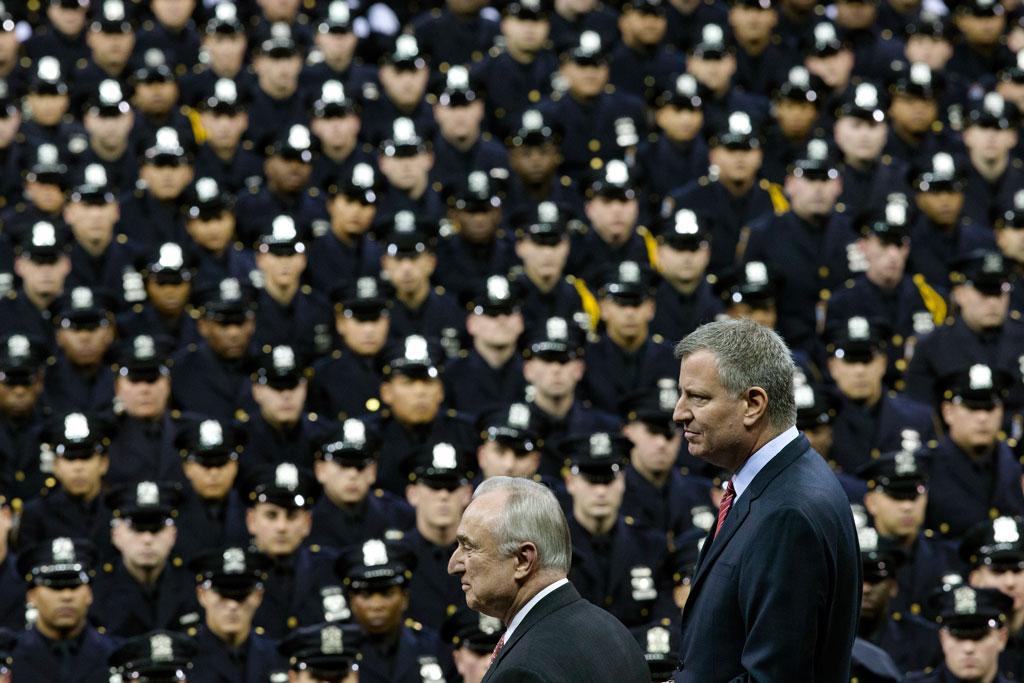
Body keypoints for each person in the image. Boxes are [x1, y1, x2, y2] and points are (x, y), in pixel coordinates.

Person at [671, 318, 860, 680]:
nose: (680, 412)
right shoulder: (783, 482)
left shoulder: (788, 514)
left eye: (698, 397)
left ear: (753, 404)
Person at [448, 475, 649, 681]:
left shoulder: (523, 670)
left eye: (469, 547)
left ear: (523, 561)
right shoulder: (614, 632)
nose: (453, 566)